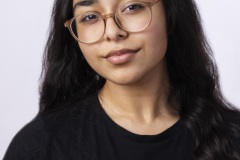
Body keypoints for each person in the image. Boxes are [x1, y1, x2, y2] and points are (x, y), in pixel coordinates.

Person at [3, 0, 240, 159]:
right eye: (90, 16)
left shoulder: (232, 136)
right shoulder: (42, 145)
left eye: (132, 7)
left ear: (171, 13)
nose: (112, 31)